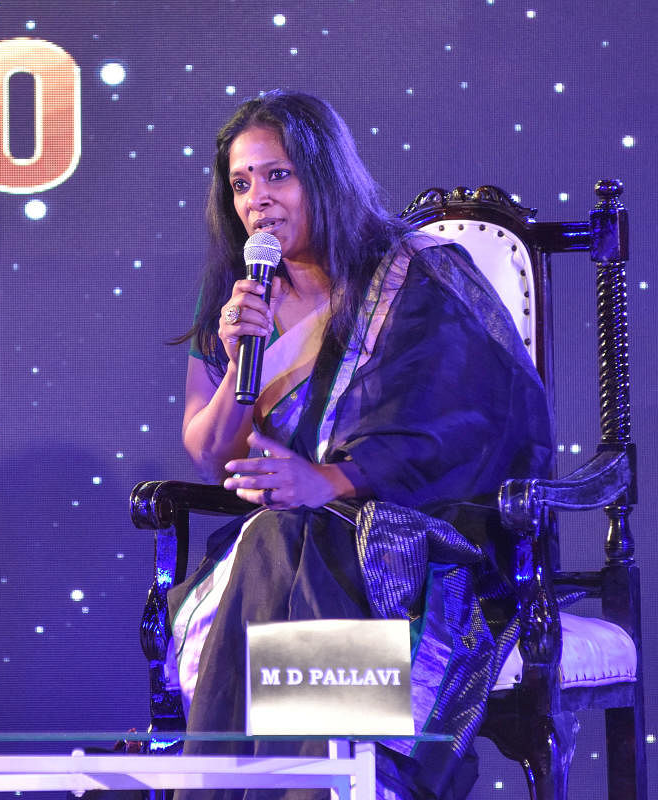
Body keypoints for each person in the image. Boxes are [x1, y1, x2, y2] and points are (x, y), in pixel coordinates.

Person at [168, 91, 553, 799]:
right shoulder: (235, 293)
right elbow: (210, 456)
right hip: (283, 540)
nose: (258, 200)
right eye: (241, 182)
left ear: (325, 175)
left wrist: (334, 480)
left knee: (295, 542)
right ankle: (323, 787)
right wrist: (239, 365)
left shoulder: (417, 277)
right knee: (279, 539)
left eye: (277, 175)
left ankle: (256, 788)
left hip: (424, 540)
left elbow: (475, 428)